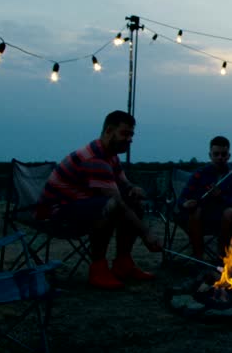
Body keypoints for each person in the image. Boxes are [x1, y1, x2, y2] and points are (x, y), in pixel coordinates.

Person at [37, 110, 162, 290]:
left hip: (79, 206)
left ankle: (123, 263)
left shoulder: (110, 155)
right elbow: (116, 202)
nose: (129, 139)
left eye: (131, 135)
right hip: (56, 213)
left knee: (133, 201)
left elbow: (124, 183)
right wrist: (146, 234)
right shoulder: (95, 158)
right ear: (109, 130)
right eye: (125, 134)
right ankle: (98, 269)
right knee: (110, 206)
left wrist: (133, 188)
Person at [177, 135, 232, 261]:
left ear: (228, 156)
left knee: (230, 212)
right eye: (216, 154)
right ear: (210, 155)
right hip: (197, 217)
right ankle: (198, 257)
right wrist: (185, 203)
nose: (220, 157)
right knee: (195, 211)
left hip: (220, 218)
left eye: (223, 154)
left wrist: (220, 196)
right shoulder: (199, 174)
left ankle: (221, 257)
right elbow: (182, 198)